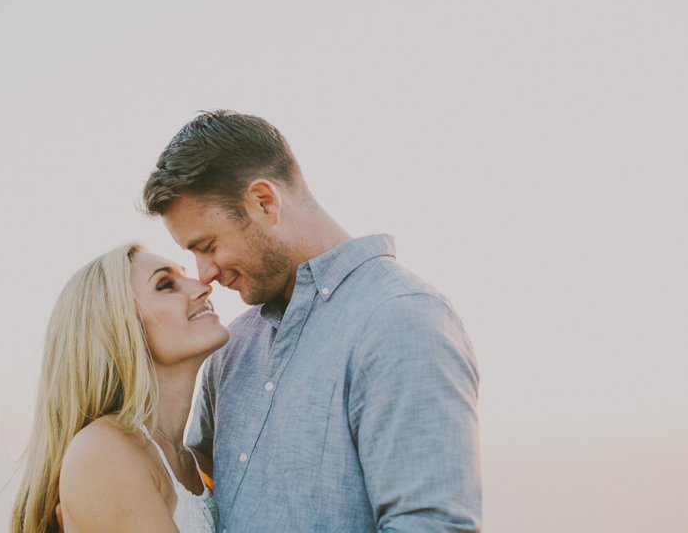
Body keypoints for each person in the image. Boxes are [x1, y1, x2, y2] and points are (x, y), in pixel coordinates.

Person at [142, 110, 482, 532]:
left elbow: (431, 525)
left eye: (208, 245)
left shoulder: (400, 319)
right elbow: (201, 496)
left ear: (264, 202)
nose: (204, 273)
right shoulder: (232, 347)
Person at [11, 243, 229, 533]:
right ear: (121, 326)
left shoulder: (199, 463)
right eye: (166, 285)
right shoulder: (104, 451)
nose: (203, 286)